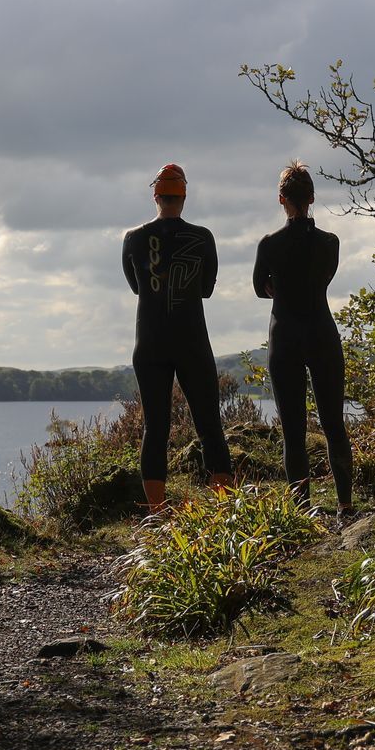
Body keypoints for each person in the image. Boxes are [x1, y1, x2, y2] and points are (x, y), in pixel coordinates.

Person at [120, 162, 234, 512]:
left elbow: (136, 286)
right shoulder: (202, 238)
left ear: (155, 195)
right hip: (191, 341)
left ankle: (156, 511)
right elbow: (206, 290)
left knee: (156, 427)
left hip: (150, 341)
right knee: (209, 424)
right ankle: (224, 509)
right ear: (184, 197)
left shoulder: (134, 239)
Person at [252, 161, 354, 515]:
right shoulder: (330, 242)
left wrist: (277, 287)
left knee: (293, 431)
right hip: (321, 331)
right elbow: (324, 278)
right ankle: (345, 505)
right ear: (312, 197)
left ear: (281, 199)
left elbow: (258, 288)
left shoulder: (269, 244)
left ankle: (303, 509)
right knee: (333, 423)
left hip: (284, 335)